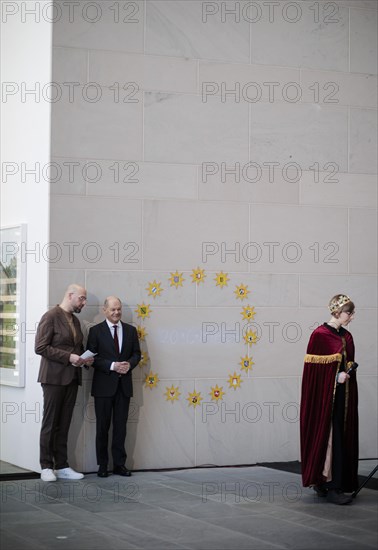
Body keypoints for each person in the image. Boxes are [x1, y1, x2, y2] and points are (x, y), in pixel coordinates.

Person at [300, 294, 359, 505]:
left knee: (341, 436)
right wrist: (336, 376)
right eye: (348, 313)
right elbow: (313, 374)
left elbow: (348, 363)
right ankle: (330, 485)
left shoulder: (347, 336)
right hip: (325, 397)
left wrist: (347, 371)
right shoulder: (320, 335)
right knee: (329, 436)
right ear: (336, 312)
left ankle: (332, 482)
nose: (351, 317)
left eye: (352, 313)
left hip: (344, 396)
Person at [35, 283, 93, 482]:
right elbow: (41, 347)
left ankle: (62, 465)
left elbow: (77, 348)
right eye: (82, 298)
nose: (84, 303)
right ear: (70, 295)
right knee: (50, 422)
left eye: (84, 299)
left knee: (65, 422)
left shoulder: (76, 322)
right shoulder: (50, 316)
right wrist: (69, 357)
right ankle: (45, 466)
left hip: (72, 378)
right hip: (52, 378)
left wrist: (85, 359)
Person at [87, 296, 141, 477]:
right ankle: (102, 465)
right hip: (103, 387)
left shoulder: (131, 331)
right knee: (102, 427)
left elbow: (136, 354)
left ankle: (119, 464)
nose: (117, 312)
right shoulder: (95, 331)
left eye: (119, 309)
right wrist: (112, 366)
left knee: (121, 428)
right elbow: (91, 358)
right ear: (105, 311)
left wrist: (129, 364)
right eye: (113, 310)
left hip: (123, 387)